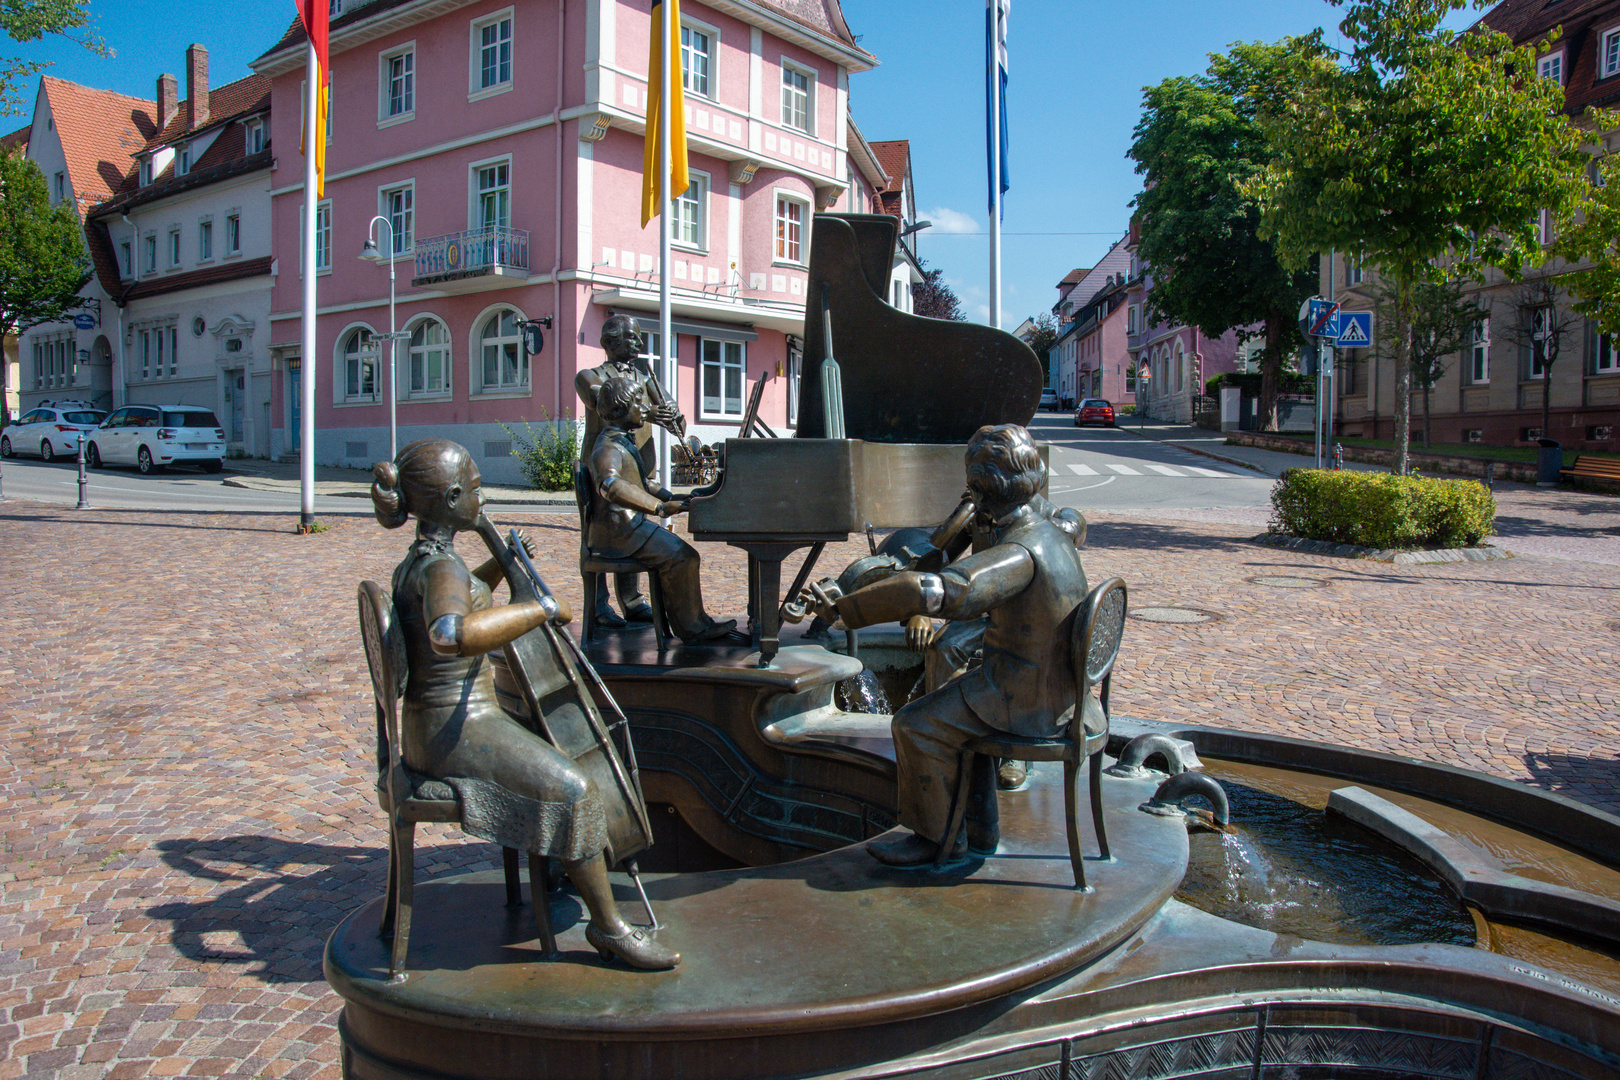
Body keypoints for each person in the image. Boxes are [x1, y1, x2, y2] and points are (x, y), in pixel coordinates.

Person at [373, 438, 678, 969]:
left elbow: (461, 593)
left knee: (550, 766)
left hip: (428, 726)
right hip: (458, 731)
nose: (482, 497)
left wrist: (497, 566)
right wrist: (535, 609)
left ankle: (569, 867)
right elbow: (449, 631)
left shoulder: (420, 563)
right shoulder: (440, 570)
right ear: (450, 499)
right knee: (575, 788)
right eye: (474, 489)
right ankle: (608, 929)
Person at [811, 424, 1094, 867]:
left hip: (1027, 698)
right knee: (957, 717)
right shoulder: (1045, 530)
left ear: (982, 489)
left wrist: (845, 610)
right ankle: (978, 832)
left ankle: (936, 841)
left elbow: (941, 591)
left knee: (916, 725)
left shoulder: (1019, 550)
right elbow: (935, 560)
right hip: (1058, 687)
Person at [905, 491, 1086, 791]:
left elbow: (1075, 523)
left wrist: (1060, 529)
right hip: (986, 609)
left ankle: (1015, 751)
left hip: (1024, 618)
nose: (977, 485)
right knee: (945, 646)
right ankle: (947, 740)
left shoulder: (1036, 510)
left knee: (1012, 656)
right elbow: (938, 555)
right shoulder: (976, 509)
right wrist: (918, 611)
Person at [586, 377, 741, 644]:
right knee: (681, 556)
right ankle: (691, 629)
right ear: (620, 410)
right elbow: (610, 486)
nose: (645, 408)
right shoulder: (607, 448)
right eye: (638, 403)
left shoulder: (621, 440)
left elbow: (643, 483)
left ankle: (694, 622)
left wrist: (675, 497)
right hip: (619, 534)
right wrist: (658, 508)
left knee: (682, 554)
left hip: (629, 528)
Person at [575, 314, 685, 629]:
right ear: (609, 342)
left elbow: (674, 414)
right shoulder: (589, 375)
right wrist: (648, 409)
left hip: (639, 467)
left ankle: (633, 602)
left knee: (636, 530)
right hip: (603, 468)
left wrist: (672, 415)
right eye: (630, 337)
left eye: (639, 337)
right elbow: (601, 397)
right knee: (597, 537)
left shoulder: (645, 378)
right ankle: (598, 607)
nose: (637, 343)